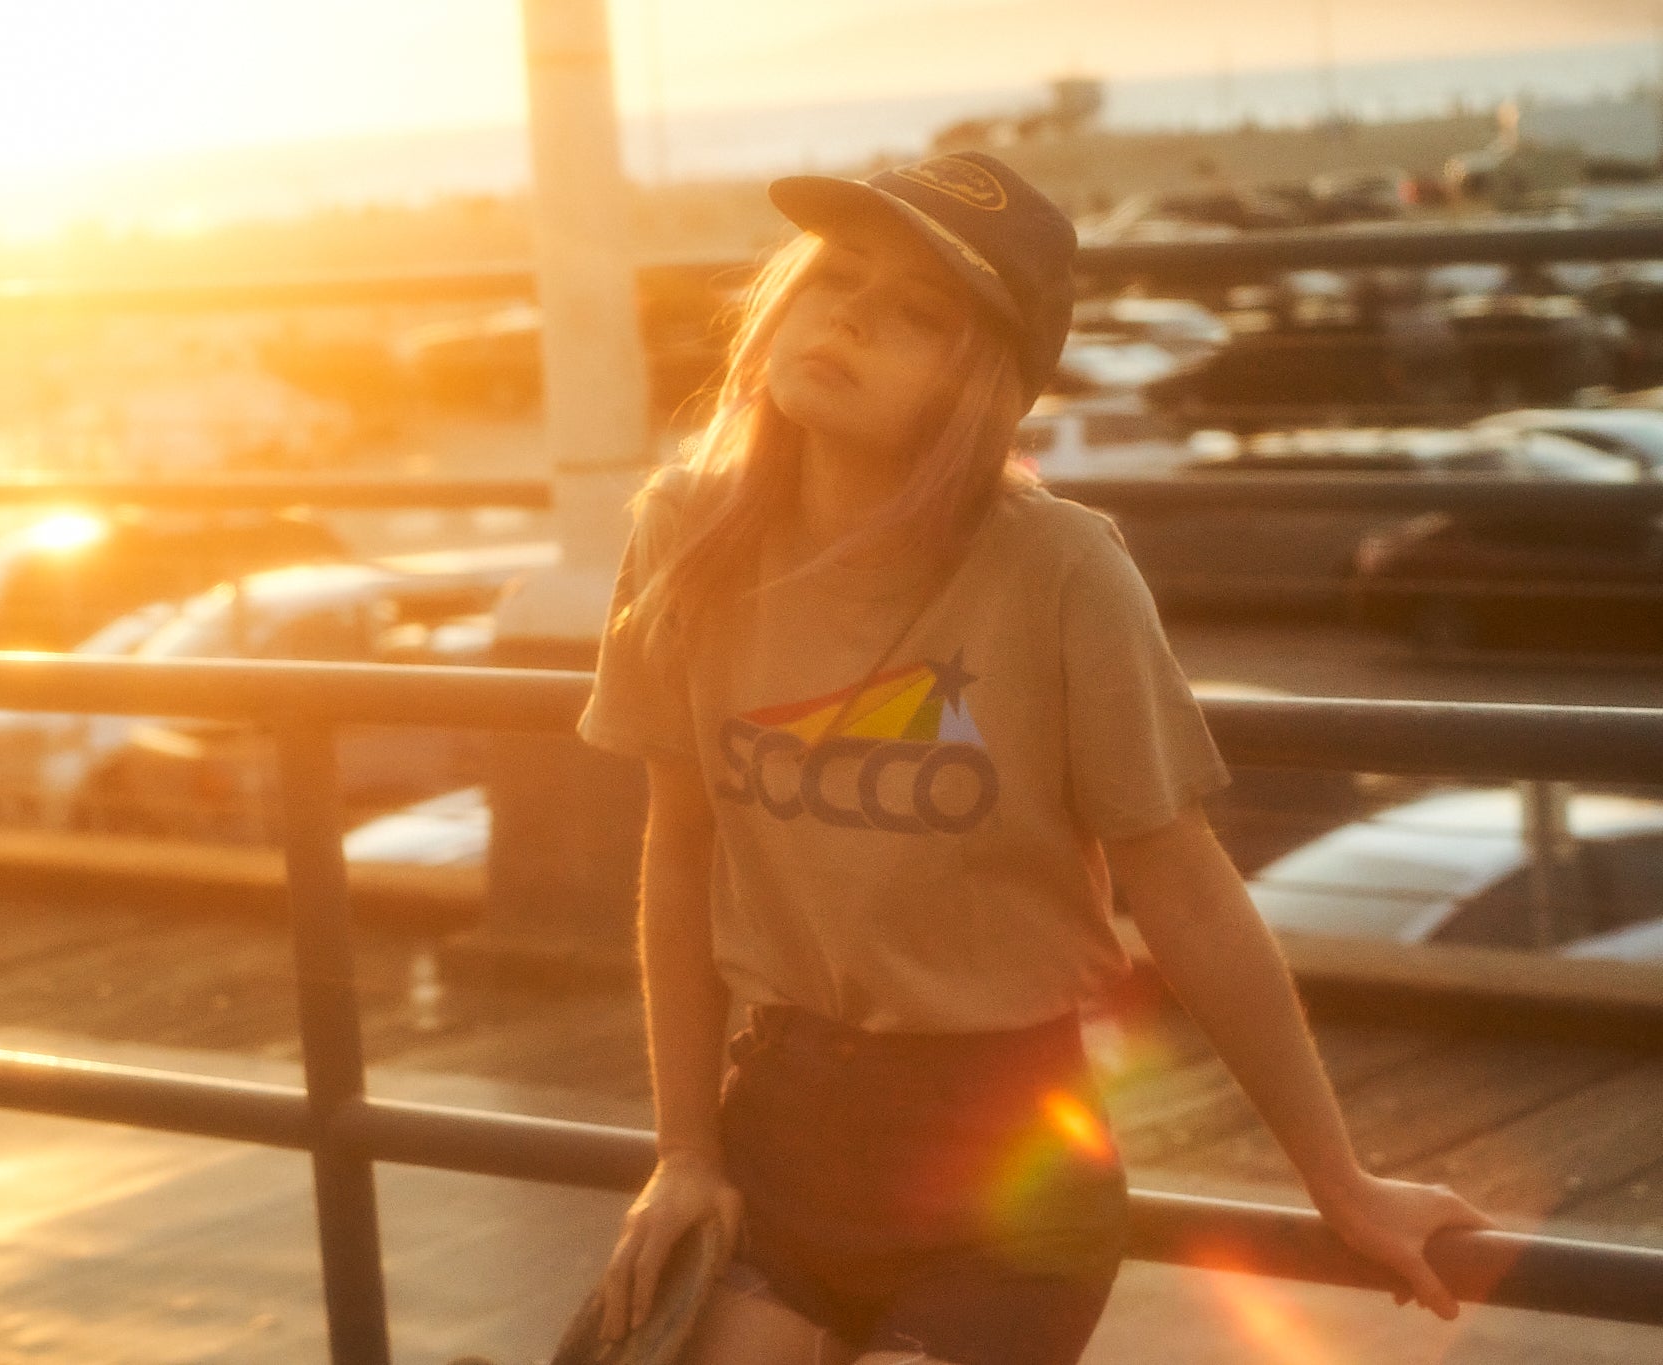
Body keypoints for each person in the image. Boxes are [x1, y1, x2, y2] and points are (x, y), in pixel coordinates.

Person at [572, 151, 1492, 1365]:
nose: (848, 316)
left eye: (914, 314)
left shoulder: (1060, 570)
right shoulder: (684, 533)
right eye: (836, 277)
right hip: (779, 1132)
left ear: (978, 387)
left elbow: (1186, 892)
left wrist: (1341, 1183)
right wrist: (684, 1152)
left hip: (1007, 1165)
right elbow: (677, 848)